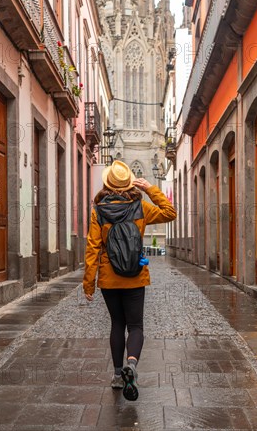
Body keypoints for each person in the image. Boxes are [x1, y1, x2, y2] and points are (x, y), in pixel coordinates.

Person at [83, 160, 177, 401]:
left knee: (117, 324)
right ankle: (132, 365)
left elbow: (92, 247)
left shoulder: (98, 211)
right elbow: (170, 212)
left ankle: (117, 375)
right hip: (135, 276)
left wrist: (88, 282)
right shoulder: (141, 207)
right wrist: (149, 189)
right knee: (135, 326)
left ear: (107, 184)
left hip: (109, 277)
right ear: (128, 183)